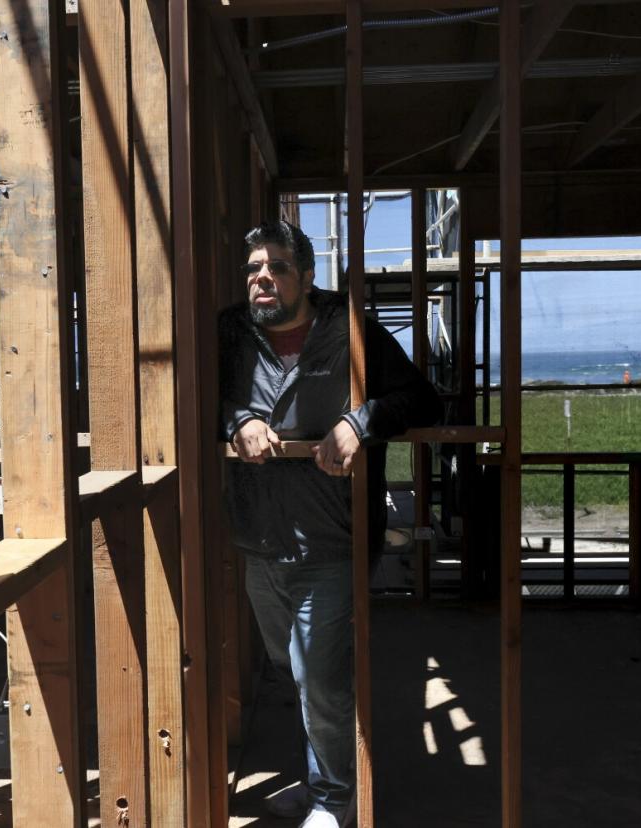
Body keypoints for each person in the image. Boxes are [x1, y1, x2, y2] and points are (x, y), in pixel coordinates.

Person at [220, 220, 442, 827]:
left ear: (308, 275)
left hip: (331, 540)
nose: (262, 278)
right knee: (290, 668)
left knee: (320, 676)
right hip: (259, 539)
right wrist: (237, 418)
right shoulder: (233, 333)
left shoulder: (349, 331)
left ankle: (333, 800)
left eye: (278, 267)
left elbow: (423, 399)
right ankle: (321, 774)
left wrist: (360, 422)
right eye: (253, 269)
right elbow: (192, 394)